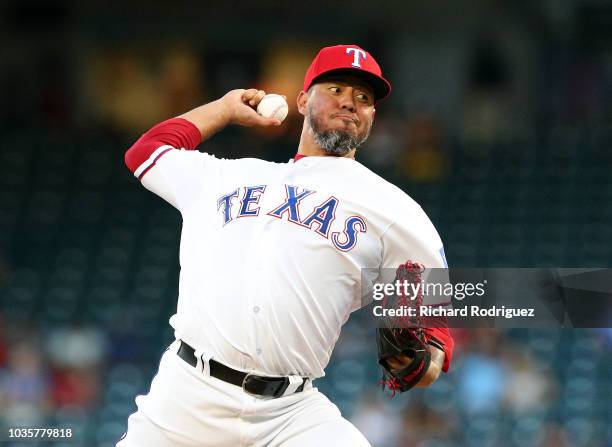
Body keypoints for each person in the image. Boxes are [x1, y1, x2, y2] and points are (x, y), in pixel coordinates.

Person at [118, 44, 454, 447]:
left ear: (371, 118)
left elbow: (433, 320)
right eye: (335, 89)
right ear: (302, 99)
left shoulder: (393, 209)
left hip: (290, 414)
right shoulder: (228, 177)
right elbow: (146, 154)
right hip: (187, 396)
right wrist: (223, 109)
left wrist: (426, 362)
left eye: (363, 98)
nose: (349, 102)